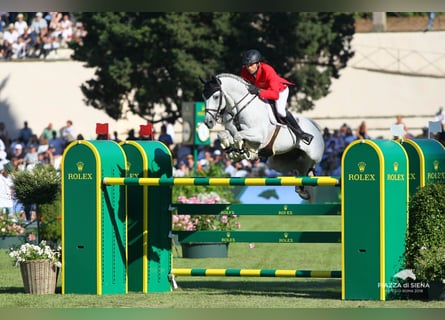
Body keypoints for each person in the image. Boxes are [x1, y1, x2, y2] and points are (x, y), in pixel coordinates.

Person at [240, 49, 313, 145]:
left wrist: (259, 91)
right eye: (246, 65)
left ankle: (301, 133)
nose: (248, 68)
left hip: (279, 90)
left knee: (281, 112)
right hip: (262, 91)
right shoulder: (245, 72)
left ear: (258, 63)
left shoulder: (267, 70)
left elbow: (275, 95)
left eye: (250, 65)